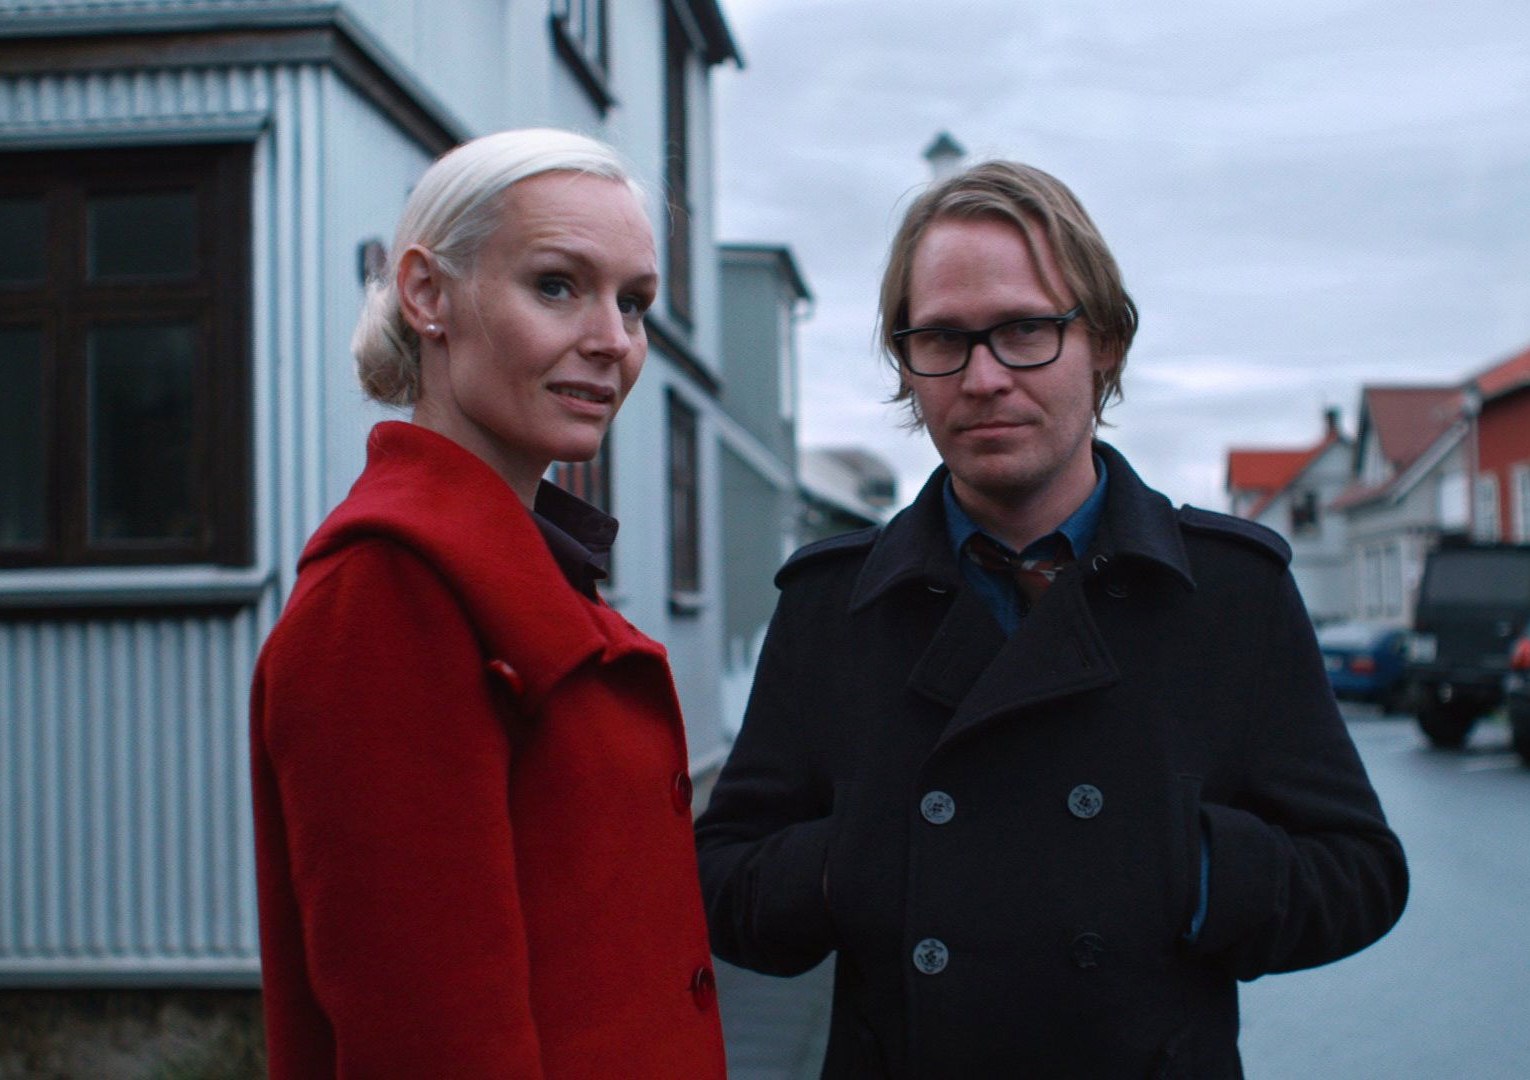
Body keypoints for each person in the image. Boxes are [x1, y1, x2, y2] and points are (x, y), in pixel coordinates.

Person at [695, 161, 1408, 1078]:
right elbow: (722, 882)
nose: (983, 377)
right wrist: (859, 865)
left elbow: (1360, 872)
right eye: (941, 338)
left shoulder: (1228, 592)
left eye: (1025, 330)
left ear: (1103, 341)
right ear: (906, 364)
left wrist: (1183, 868)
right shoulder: (834, 605)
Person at [250, 128, 726, 1079]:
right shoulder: (389, 594)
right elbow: (429, 1038)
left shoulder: (502, 566)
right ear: (428, 294)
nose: (613, 340)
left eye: (632, 302)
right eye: (557, 285)